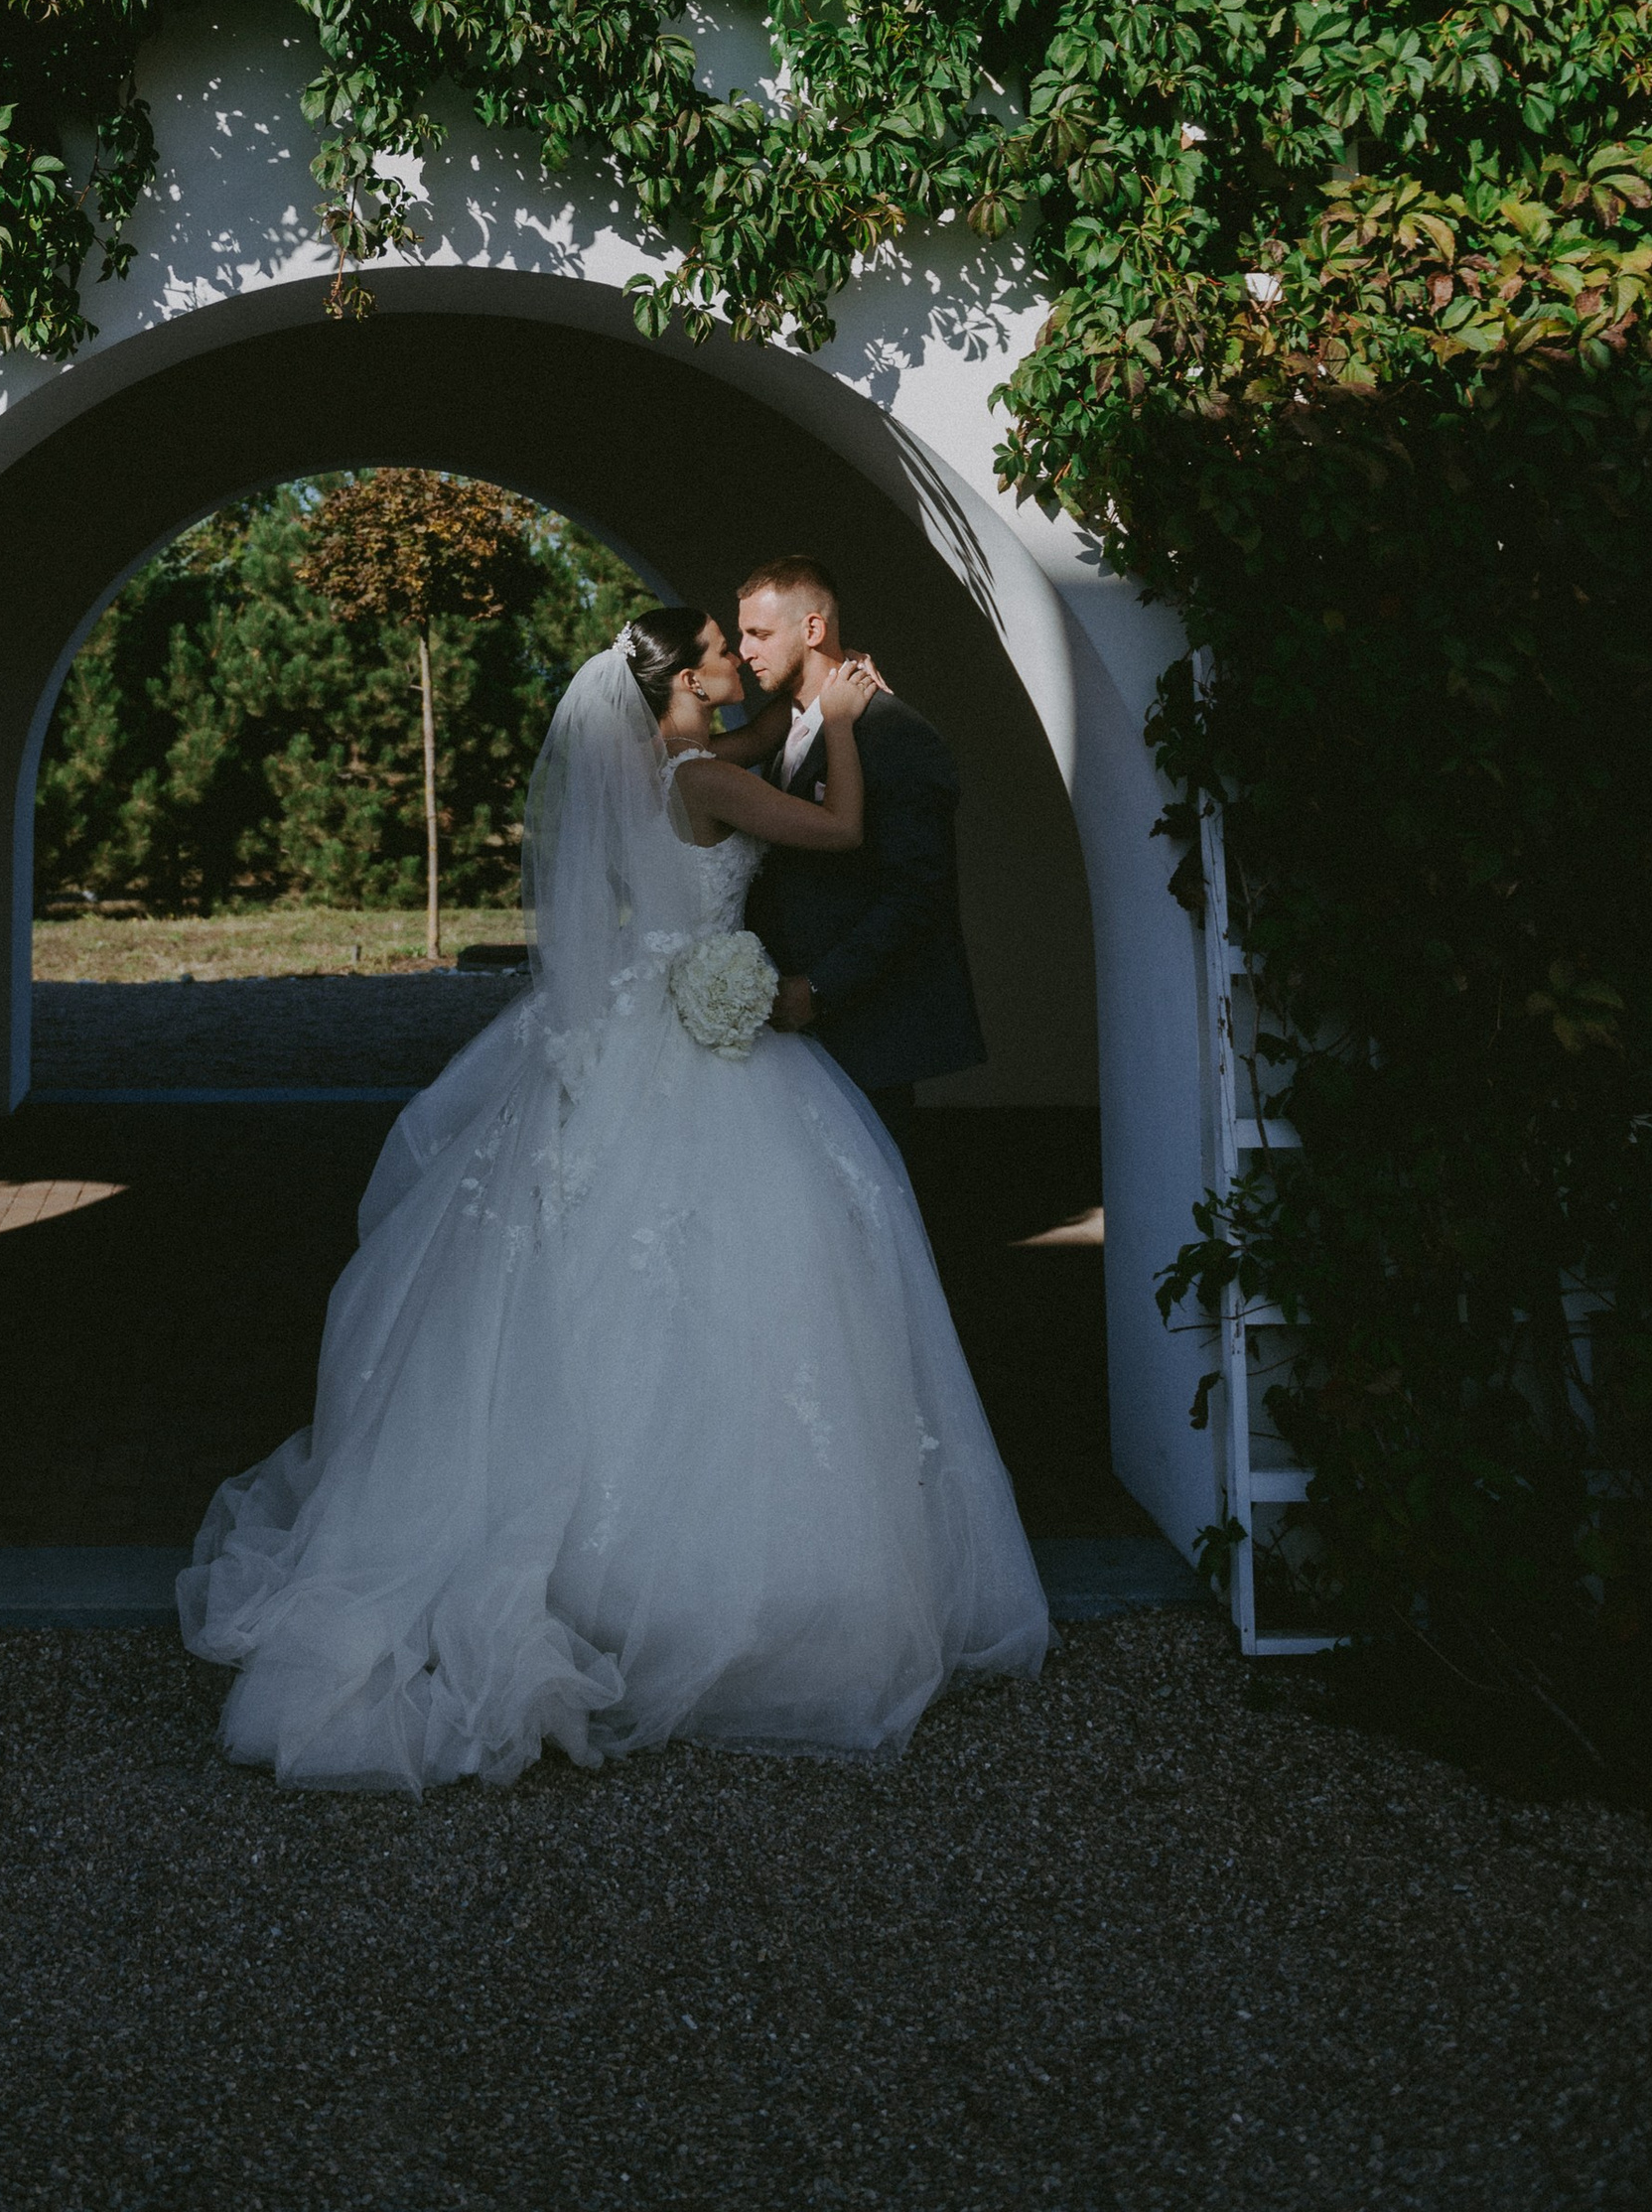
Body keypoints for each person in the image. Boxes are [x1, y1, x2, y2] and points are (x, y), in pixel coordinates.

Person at [178, 605, 1047, 1792]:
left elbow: (741, 743)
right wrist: (843, 718)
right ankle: (701, 1584)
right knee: (742, 1277)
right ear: (679, 681)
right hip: (701, 1032)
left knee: (597, 1281)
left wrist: (796, 710)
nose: (734, 657)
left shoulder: (649, 765)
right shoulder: (707, 779)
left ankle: (608, 1565)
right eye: (717, 649)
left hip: (632, 1017)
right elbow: (841, 827)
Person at [737, 554, 987, 1147]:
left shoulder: (896, 735)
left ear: (813, 629)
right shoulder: (783, 725)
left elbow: (917, 894)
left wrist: (818, 989)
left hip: (863, 1029)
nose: (745, 651)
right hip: (784, 1028)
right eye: (742, 635)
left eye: (759, 634)